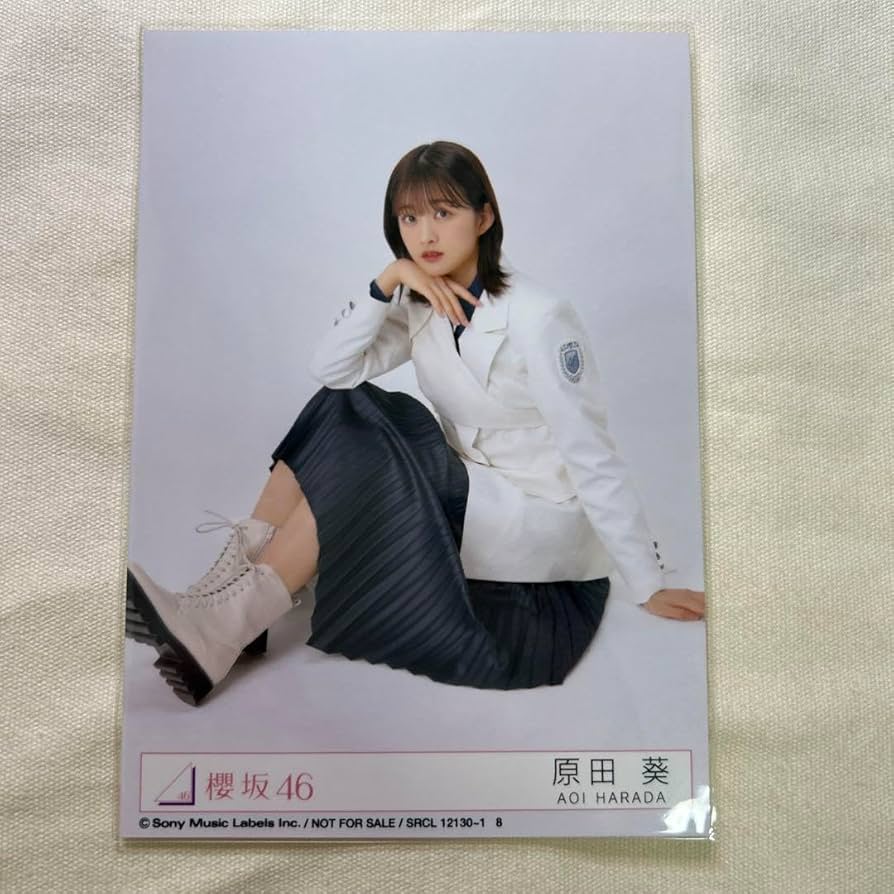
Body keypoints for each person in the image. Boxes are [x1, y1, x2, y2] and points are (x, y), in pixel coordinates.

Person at [126, 140, 705, 706]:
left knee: (374, 449)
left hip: (529, 507)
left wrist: (647, 581)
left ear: (484, 218)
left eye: (443, 213)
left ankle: (227, 622)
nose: (425, 234)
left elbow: (591, 453)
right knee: (345, 404)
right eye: (409, 218)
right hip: (463, 483)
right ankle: (222, 600)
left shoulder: (540, 316)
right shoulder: (422, 303)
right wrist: (388, 281)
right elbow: (332, 371)